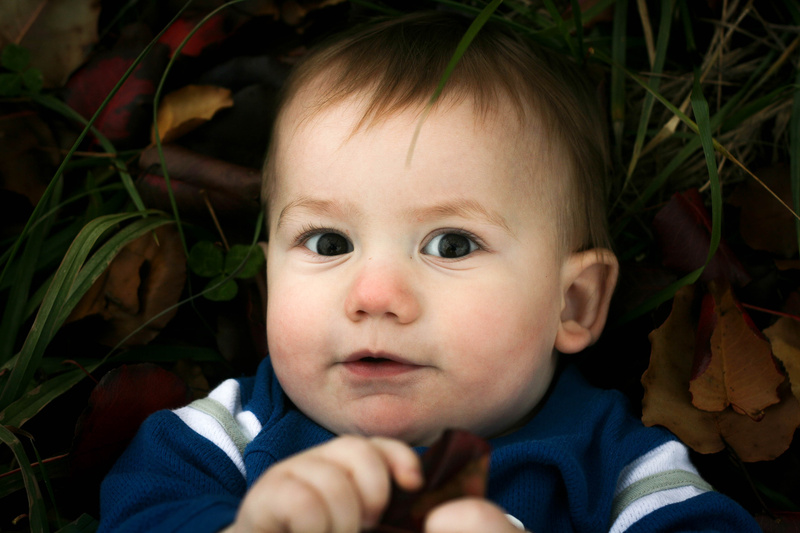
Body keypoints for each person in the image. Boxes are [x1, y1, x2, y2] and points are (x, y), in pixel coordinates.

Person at [99, 11, 761, 533]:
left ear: (574, 304)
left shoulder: (617, 464)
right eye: (328, 241)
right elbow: (136, 514)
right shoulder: (233, 431)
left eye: (450, 245)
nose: (375, 294)